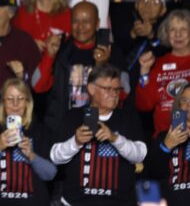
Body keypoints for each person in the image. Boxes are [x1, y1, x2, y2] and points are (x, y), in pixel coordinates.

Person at [50, 64, 147, 206]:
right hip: (75, 202)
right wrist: (75, 142)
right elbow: (55, 157)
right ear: (91, 88)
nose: (114, 94)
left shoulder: (128, 117)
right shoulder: (73, 116)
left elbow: (140, 155)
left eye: (117, 89)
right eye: (108, 89)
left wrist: (115, 139)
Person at [32, 1, 128, 132]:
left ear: (97, 24)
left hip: (99, 130)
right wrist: (49, 56)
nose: (80, 27)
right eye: (76, 21)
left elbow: (124, 94)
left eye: (86, 21)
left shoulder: (113, 52)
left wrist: (103, 66)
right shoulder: (60, 49)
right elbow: (37, 86)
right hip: (60, 129)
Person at [0, 78, 57, 206]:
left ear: (27, 103)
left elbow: (50, 174)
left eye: (21, 98)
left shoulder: (40, 130)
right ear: (2, 103)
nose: (15, 104)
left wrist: (31, 155)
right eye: (10, 98)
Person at [136, 9, 190, 137]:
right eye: (172, 29)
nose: (178, 34)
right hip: (164, 136)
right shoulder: (158, 63)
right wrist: (144, 72)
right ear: (166, 33)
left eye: (183, 29)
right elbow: (144, 105)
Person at [146, 83, 190, 206]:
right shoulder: (164, 137)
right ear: (179, 105)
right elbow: (151, 173)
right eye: (184, 100)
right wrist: (166, 146)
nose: (188, 105)